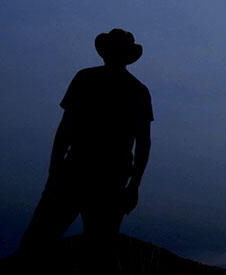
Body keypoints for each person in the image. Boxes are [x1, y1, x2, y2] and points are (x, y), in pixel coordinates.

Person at [18, 28, 153, 273]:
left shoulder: (124, 87)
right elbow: (65, 130)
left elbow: (143, 142)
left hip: (99, 176)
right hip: (92, 174)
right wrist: (133, 186)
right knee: (87, 249)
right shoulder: (125, 87)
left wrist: (133, 186)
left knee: (91, 251)